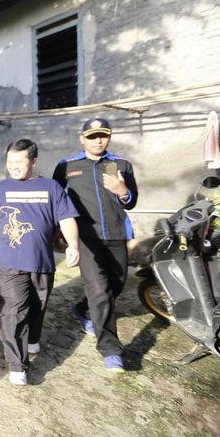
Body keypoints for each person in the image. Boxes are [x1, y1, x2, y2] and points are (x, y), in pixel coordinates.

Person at [0, 139, 80, 386]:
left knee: (37, 305)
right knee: (13, 311)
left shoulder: (52, 188)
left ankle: (33, 337)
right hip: (8, 262)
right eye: (9, 162)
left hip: (42, 261)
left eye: (19, 161)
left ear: (34, 161)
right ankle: (17, 364)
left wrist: (73, 245)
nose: (13, 167)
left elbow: (67, 218)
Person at [53, 118, 138, 372]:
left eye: (103, 135)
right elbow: (56, 200)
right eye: (92, 136)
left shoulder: (119, 164)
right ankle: (111, 350)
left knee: (117, 283)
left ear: (109, 137)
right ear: (82, 139)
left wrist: (122, 189)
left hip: (115, 233)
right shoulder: (67, 166)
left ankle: (82, 308)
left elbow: (131, 201)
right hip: (85, 237)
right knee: (99, 290)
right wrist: (59, 232)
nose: (98, 140)